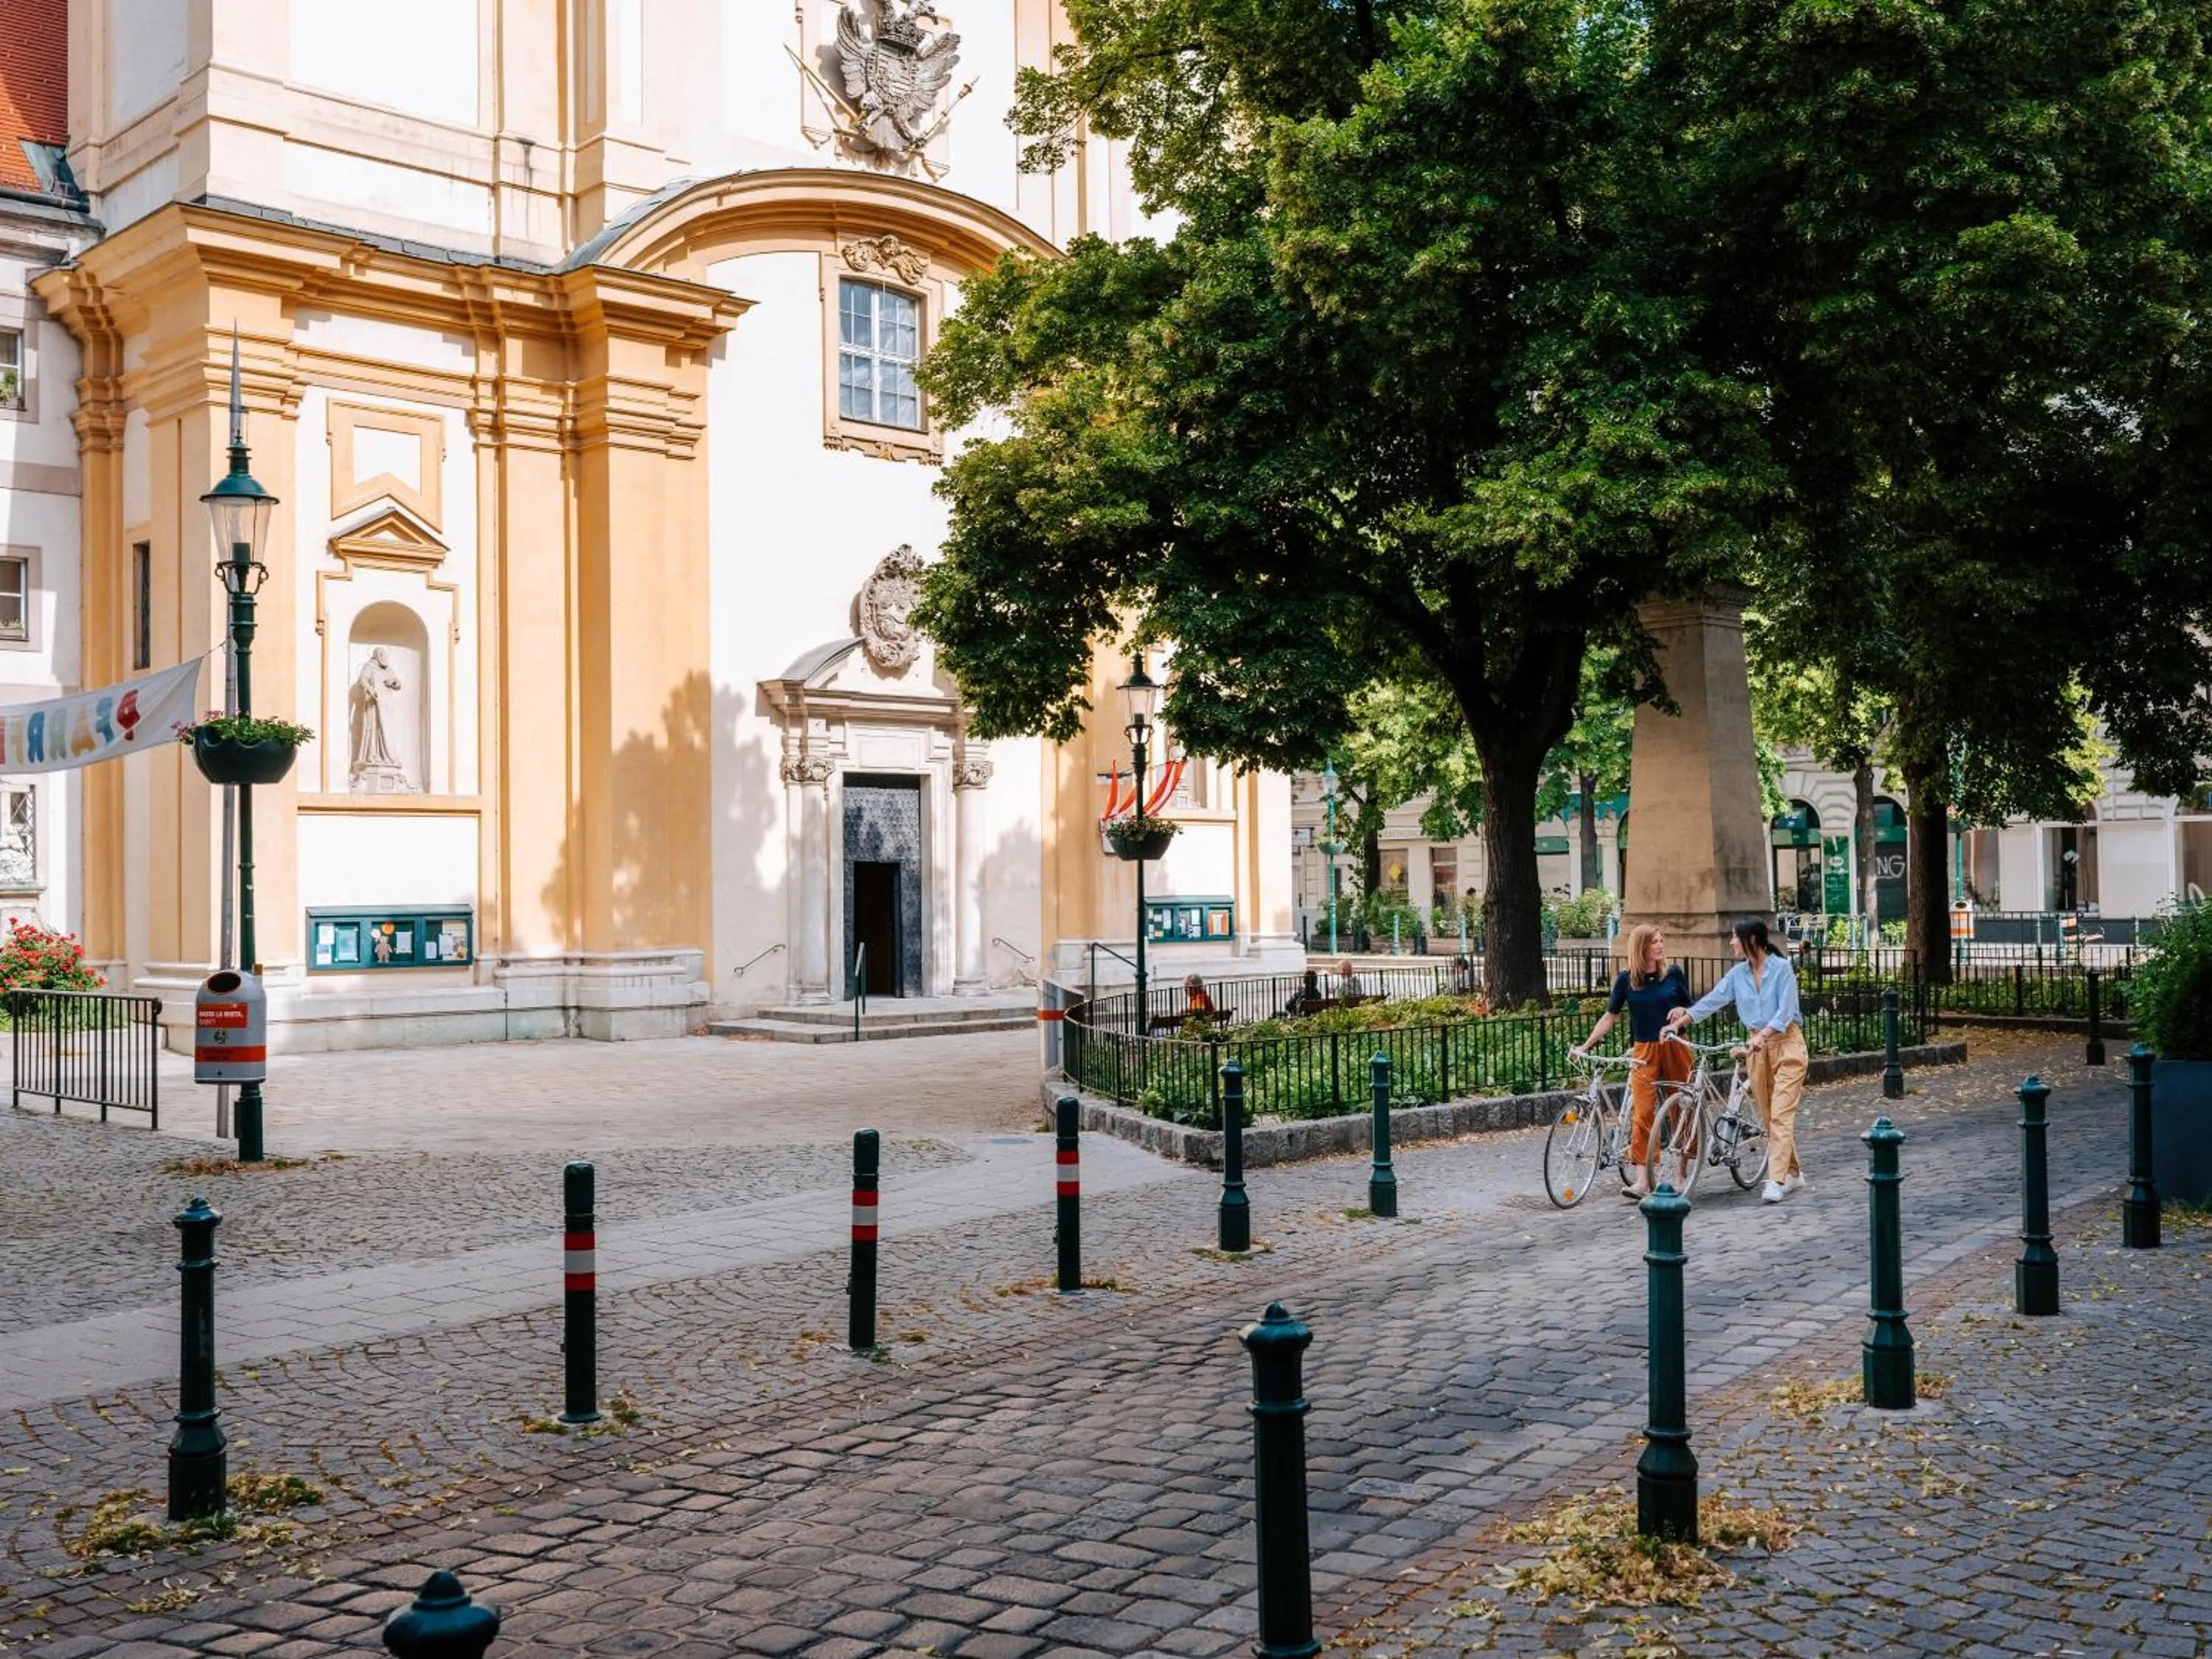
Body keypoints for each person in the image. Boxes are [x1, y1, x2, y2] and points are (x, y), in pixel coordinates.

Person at [1667, 915, 1808, 1204]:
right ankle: (1793, 1172)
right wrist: (1682, 1020)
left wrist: (1763, 1034)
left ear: (1751, 941)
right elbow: (1713, 1000)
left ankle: (1777, 1179)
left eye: (1734, 937)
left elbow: (1785, 1012)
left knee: (1781, 1114)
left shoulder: (1782, 970)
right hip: (1757, 1051)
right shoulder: (1738, 975)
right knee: (1770, 1117)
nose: (1731, 942)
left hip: (1786, 1045)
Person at [1572, 923, 1691, 1199]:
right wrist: (1586, 1045)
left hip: (1675, 1045)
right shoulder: (1626, 981)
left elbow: (1692, 1007)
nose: (1661, 946)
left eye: (1662, 941)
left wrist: (1683, 1011)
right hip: (1644, 1050)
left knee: (1680, 1106)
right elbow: (1609, 1017)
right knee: (1643, 1111)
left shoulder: (1673, 974)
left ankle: (1681, 1171)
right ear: (1642, 948)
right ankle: (1642, 1180)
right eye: (1655, 942)